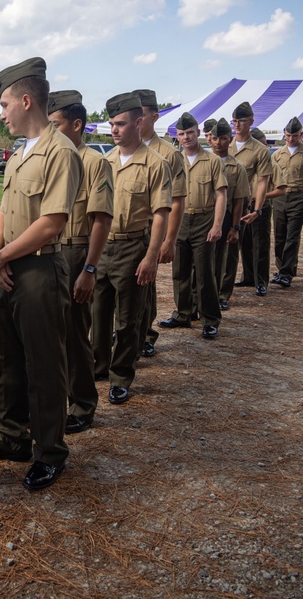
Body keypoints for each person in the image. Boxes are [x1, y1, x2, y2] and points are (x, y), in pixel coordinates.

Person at [0, 57, 81, 491]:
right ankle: (12, 437)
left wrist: (3, 258)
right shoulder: (19, 155)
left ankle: (50, 452)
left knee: (44, 364)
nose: (2, 114)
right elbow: (5, 211)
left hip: (39, 268)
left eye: (3, 105)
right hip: (12, 267)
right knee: (8, 358)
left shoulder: (61, 151)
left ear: (25, 99)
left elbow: (51, 222)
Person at [91, 92, 171, 404]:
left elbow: (161, 213)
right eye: (111, 124)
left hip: (132, 246)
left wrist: (151, 256)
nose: (114, 130)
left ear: (138, 122)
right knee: (98, 315)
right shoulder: (104, 162)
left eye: (121, 124)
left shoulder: (155, 163)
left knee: (127, 319)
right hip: (102, 248)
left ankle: (121, 375)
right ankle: (98, 366)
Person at [47, 90, 113, 434]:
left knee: (75, 333)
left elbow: (101, 219)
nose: (51, 130)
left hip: (76, 251)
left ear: (76, 124)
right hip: (51, 251)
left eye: (55, 124)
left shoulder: (95, 163)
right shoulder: (53, 157)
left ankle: (84, 404)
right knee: (53, 333)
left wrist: (89, 268)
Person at [159, 113, 226, 339]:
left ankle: (209, 319)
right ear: (176, 137)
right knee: (180, 272)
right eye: (181, 134)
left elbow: (221, 195)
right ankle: (182, 314)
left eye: (189, 132)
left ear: (198, 133)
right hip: (179, 221)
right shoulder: (171, 160)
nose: (186, 137)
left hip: (204, 219)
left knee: (205, 273)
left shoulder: (213, 161)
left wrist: (217, 225)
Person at [134, 89, 185, 359]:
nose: (136, 121)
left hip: (150, 230)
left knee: (146, 285)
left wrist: (169, 240)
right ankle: (129, 331)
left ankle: (145, 334)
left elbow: (176, 201)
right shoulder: (123, 149)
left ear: (154, 116)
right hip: (123, 231)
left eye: (140, 115)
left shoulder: (168, 153)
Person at [270, 117, 303, 287]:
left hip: (299, 196)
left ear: (301, 135)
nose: (291, 139)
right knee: (279, 236)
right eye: (288, 135)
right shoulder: (278, 154)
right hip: (280, 198)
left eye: (294, 136)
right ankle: (283, 268)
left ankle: (286, 274)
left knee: (292, 237)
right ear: (284, 135)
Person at [229, 102, 273, 297]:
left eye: (242, 121)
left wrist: (257, 209)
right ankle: (240, 281)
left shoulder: (259, 150)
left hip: (246, 204)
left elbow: (263, 181)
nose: (237, 125)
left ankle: (260, 281)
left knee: (258, 244)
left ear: (251, 122)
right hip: (224, 205)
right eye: (235, 121)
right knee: (229, 250)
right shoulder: (225, 145)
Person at [210, 118, 250, 311]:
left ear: (230, 139)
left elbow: (238, 201)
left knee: (221, 260)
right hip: (201, 216)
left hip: (225, 217)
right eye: (215, 138)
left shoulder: (237, 167)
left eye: (223, 138)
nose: (218, 142)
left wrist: (235, 227)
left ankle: (221, 294)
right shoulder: (202, 162)